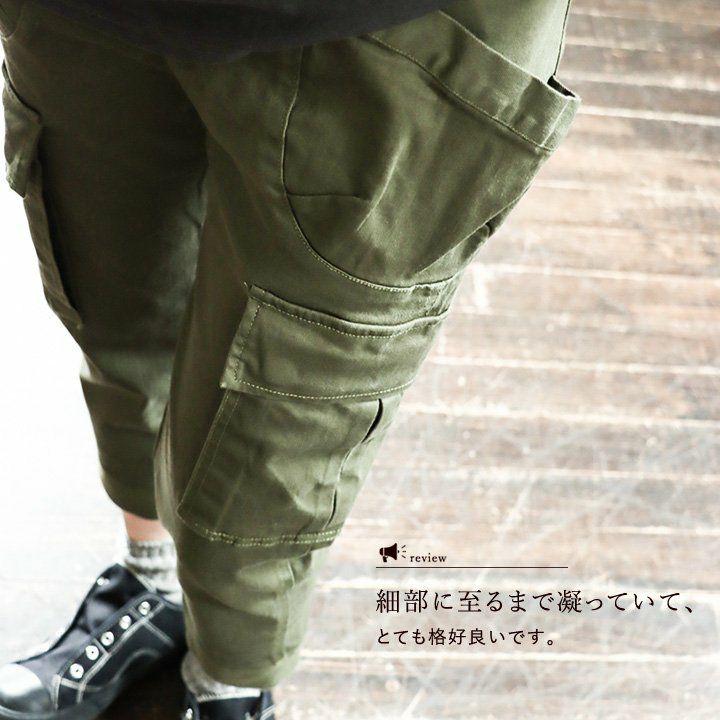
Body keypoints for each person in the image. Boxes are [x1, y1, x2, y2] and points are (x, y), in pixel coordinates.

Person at [0, 1, 580, 718]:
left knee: (291, 406)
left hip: (389, 30)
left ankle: (227, 687)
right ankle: (152, 584)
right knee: (118, 307)